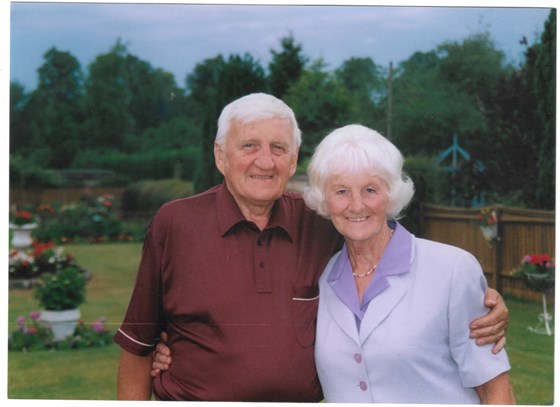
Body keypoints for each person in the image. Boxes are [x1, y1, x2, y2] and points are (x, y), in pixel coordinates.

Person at [116, 93, 509, 402]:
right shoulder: (175, 223)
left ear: (293, 161)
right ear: (221, 155)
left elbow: (398, 255)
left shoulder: (320, 223)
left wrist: (485, 301)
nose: (265, 162)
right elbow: (138, 344)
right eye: (249, 145)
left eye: (278, 148)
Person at [303, 124, 514, 403]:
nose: (356, 205)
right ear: (324, 200)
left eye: (370, 189)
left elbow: (495, 390)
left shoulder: (451, 269)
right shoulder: (324, 276)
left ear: (391, 194)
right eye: (341, 191)